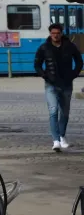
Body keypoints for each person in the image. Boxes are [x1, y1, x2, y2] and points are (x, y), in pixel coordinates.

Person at [34, 22, 82, 151]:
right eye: (53, 33)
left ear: (61, 33)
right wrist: (45, 75)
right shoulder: (44, 48)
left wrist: (74, 74)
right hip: (51, 84)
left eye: (57, 33)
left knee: (65, 113)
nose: (55, 35)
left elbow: (79, 61)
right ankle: (56, 140)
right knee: (53, 111)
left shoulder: (70, 46)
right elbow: (37, 64)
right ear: (50, 34)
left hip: (66, 83)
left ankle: (62, 136)